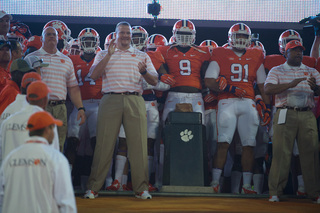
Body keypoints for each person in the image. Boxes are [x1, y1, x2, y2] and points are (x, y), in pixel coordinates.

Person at [84, 21, 158, 199]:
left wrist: (144, 73)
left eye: (127, 33)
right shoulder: (103, 53)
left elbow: (154, 81)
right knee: (104, 145)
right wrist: (109, 55)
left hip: (134, 99)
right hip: (110, 98)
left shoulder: (141, 55)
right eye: (121, 33)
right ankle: (94, 187)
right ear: (115, 35)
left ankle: (141, 188)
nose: (125, 36)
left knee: (138, 145)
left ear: (130, 36)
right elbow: (93, 76)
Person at [204, 23, 271, 194]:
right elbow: (209, 80)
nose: (240, 39)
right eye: (237, 36)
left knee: (249, 144)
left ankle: (247, 186)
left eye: (243, 36)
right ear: (230, 38)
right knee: (223, 143)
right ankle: (215, 183)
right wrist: (230, 88)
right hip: (227, 101)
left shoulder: (256, 55)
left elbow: (263, 86)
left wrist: (267, 108)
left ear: (249, 39)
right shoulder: (220, 53)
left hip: (248, 103)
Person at [265, 40, 320, 203]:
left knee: (311, 153)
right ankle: (275, 192)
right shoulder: (277, 70)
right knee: (281, 153)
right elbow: (268, 89)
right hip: (285, 113)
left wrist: (315, 88)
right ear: (286, 53)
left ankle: (314, 192)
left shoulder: (311, 71)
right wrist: (290, 84)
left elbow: (319, 91)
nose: (299, 53)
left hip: (306, 114)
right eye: (294, 51)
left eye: (300, 51)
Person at [0, 111, 77, 212]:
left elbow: (2, 195)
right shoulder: (57, 158)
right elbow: (66, 202)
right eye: (53, 128)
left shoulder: (10, 157)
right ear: (47, 130)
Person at [24, 26, 86, 151]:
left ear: (58, 39)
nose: (51, 36)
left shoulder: (66, 60)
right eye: (48, 34)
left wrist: (80, 108)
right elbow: (23, 86)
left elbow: (73, 87)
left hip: (60, 108)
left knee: (59, 145)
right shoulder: (30, 58)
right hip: (39, 106)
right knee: (38, 144)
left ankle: (56, 170)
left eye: (54, 34)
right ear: (42, 38)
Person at [66, 27, 102, 186]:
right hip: (78, 105)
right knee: (72, 142)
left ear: (97, 43)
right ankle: (66, 179)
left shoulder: (102, 58)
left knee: (97, 144)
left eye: (91, 41)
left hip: (98, 105)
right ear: (80, 43)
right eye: (85, 41)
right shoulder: (71, 60)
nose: (88, 44)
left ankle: (96, 181)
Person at [0, 80, 60, 164]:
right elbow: (54, 154)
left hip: (11, 169)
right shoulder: (48, 123)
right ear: (45, 100)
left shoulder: (9, 119)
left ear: (27, 98)